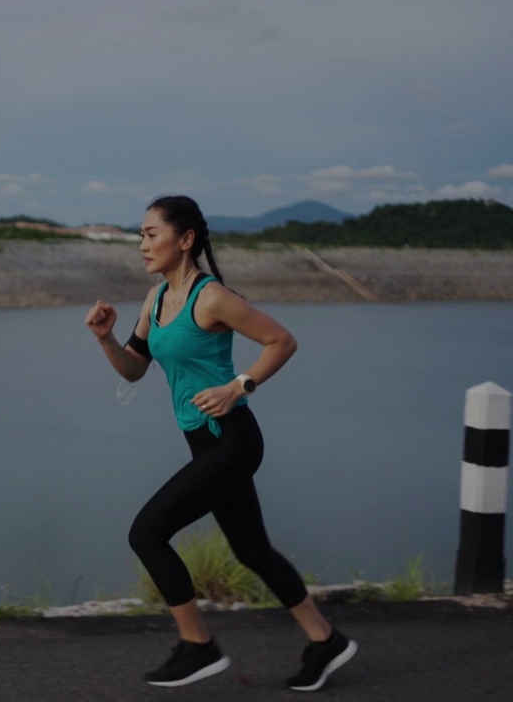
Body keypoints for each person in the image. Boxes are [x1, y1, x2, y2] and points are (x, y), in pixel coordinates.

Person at [84, 195, 357, 691]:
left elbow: (282, 341)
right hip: (204, 445)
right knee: (253, 549)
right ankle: (325, 640)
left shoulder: (210, 298)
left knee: (146, 533)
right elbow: (135, 368)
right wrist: (106, 338)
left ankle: (198, 646)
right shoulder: (155, 299)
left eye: (151, 234)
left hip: (232, 441)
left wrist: (240, 386)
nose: (142, 244)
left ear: (184, 240)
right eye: (141, 235)